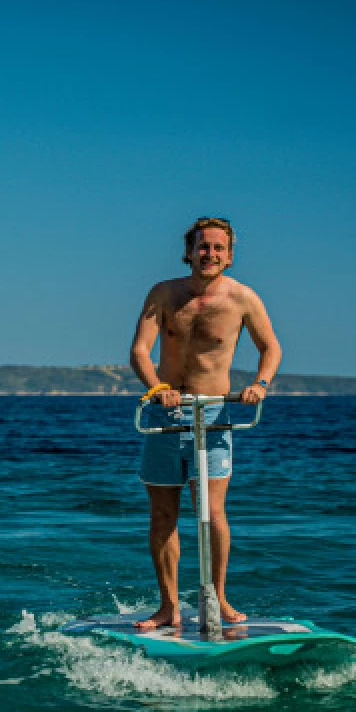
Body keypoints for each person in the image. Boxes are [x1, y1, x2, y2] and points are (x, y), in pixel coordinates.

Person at [129, 217, 282, 627]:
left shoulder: (243, 298)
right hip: (165, 413)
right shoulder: (163, 294)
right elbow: (140, 351)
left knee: (212, 513)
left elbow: (270, 347)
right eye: (202, 246)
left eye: (217, 248)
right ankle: (169, 608)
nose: (209, 254)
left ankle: (219, 599)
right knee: (163, 515)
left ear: (229, 256)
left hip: (214, 413)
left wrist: (260, 385)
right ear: (189, 251)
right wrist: (157, 386)